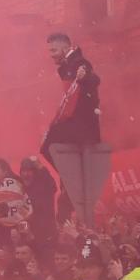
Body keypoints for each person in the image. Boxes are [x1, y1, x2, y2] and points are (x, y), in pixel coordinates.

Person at [39, 32, 108, 228]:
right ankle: (68, 180)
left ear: (64, 48)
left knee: (47, 145)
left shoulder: (79, 62)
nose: (51, 54)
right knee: (48, 145)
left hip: (80, 126)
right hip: (76, 125)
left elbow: (94, 78)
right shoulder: (67, 65)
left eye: (53, 50)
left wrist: (85, 77)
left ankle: (68, 177)